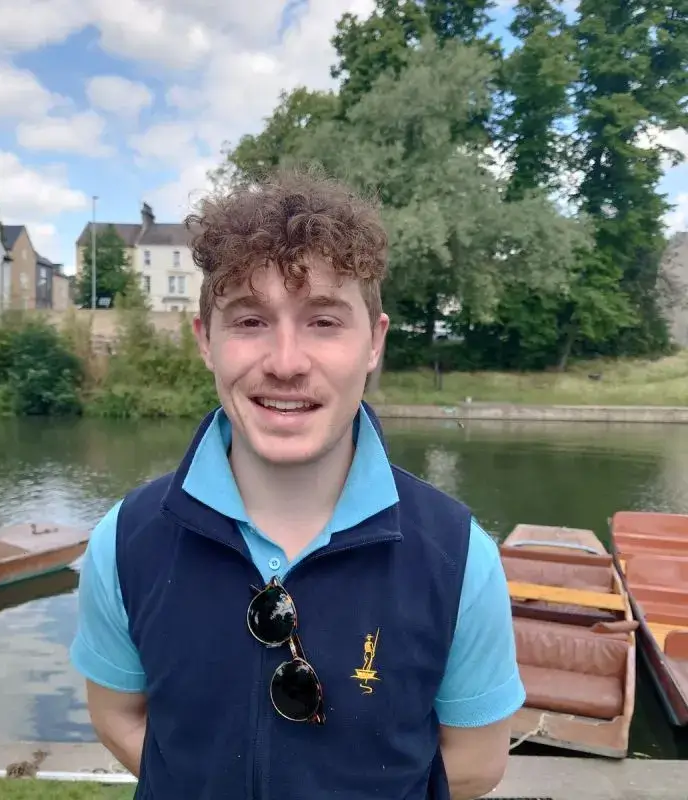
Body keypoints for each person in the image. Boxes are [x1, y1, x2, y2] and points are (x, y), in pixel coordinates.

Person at [69, 169, 525, 800]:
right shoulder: (124, 541)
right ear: (207, 341)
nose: (285, 363)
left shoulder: (459, 558)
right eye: (250, 321)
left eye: (325, 322)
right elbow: (117, 716)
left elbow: (474, 762)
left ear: (374, 343)